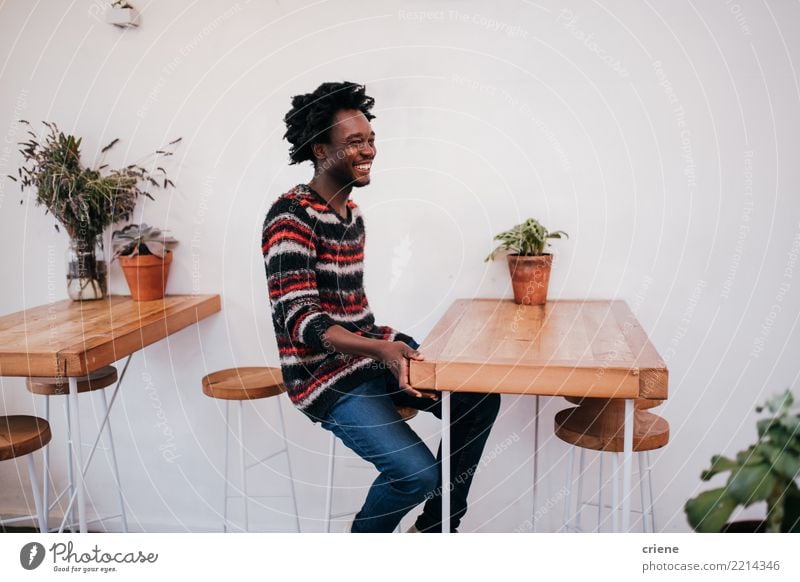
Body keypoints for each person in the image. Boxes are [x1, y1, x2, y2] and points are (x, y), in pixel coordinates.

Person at [262, 81, 500, 533]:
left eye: (371, 139)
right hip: (321, 378)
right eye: (354, 142)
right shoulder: (290, 216)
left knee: (479, 396)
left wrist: (392, 345)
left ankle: (437, 527)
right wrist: (384, 353)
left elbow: (355, 313)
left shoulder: (352, 216)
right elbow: (302, 322)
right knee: (416, 474)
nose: (369, 149)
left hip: (364, 360)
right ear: (320, 150)